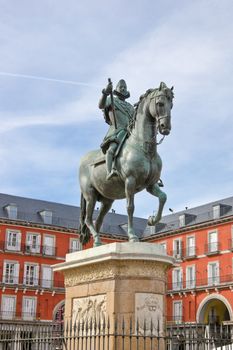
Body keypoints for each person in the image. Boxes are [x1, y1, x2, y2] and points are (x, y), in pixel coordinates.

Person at [99, 79, 134, 180]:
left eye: (125, 87)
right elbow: (101, 105)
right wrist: (106, 92)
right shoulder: (111, 100)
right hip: (117, 131)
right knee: (112, 149)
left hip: (130, 133)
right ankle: (109, 171)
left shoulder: (130, 107)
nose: (123, 89)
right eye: (121, 87)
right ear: (117, 89)